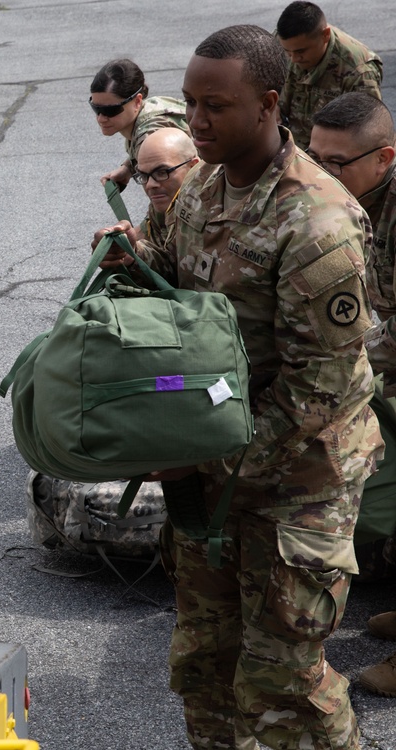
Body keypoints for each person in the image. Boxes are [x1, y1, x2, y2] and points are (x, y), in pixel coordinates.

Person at [96, 25, 381, 749]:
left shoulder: (318, 222)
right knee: (207, 660)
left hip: (297, 481)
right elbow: (178, 276)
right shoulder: (203, 187)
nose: (195, 121)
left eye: (215, 106)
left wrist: (205, 457)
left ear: (269, 104)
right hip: (212, 462)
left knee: (283, 682)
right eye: (190, 102)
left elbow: (316, 391)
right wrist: (134, 258)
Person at [308, 92, 396, 697]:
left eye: (337, 162)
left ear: (384, 158)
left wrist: (350, 364)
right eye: (315, 156)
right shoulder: (353, 200)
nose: (321, 172)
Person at [276, 1, 383, 151]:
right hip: (287, 144)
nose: (293, 59)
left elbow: (367, 134)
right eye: (287, 52)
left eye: (301, 52)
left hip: (329, 154)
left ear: (325, 35)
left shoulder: (358, 73)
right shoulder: (283, 41)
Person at [90, 58, 190, 191]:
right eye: (96, 108)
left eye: (110, 110)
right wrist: (128, 168)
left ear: (137, 101)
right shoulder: (150, 107)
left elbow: (169, 194)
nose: (101, 118)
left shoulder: (150, 134)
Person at [130, 127, 199, 248]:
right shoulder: (164, 203)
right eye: (143, 175)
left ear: (193, 167)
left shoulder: (215, 208)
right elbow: (166, 256)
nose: (150, 185)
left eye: (162, 172)